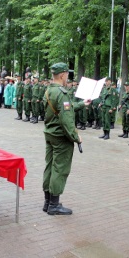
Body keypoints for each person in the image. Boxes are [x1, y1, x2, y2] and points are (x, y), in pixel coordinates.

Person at [42, 62, 90, 215]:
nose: (67, 77)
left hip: (50, 133)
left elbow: (63, 109)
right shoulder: (62, 93)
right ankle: (54, 206)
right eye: (67, 74)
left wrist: (82, 104)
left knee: (49, 167)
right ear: (62, 75)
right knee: (60, 169)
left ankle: (48, 202)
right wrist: (76, 137)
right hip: (60, 136)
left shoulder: (49, 90)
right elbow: (66, 119)